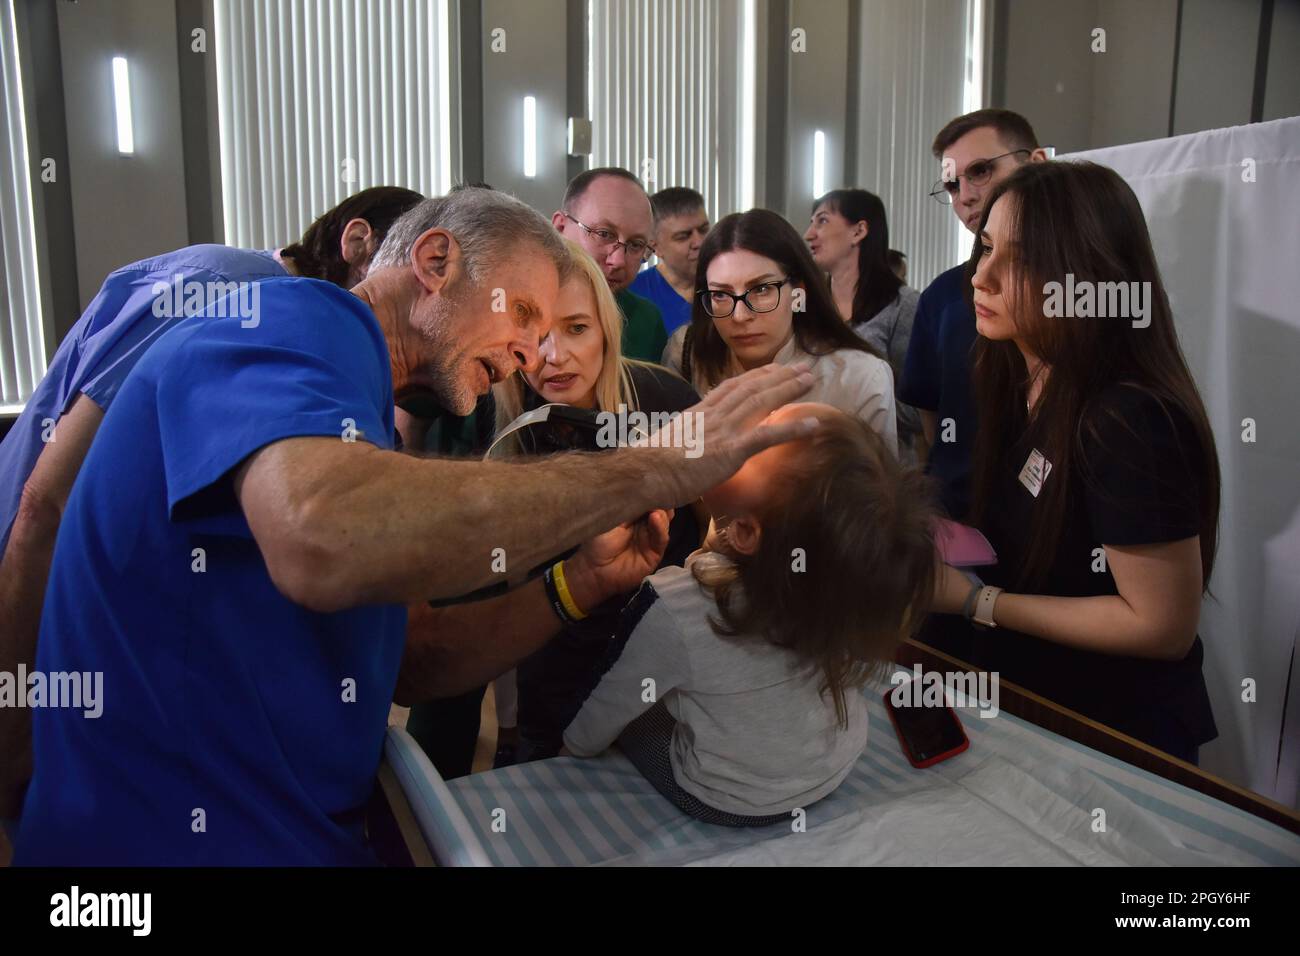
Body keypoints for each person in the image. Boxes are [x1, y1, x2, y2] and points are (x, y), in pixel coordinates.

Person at [14, 187, 819, 864]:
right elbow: (324, 536)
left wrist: (578, 585)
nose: (529, 351)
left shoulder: (353, 407)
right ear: (435, 264)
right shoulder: (293, 317)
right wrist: (654, 468)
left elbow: (416, 656)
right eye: (525, 312)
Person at [0, 185, 423, 818]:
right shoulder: (228, 287)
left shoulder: (306, 348)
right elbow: (44, 505)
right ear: (357, 243)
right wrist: (13, 736)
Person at [927, 160, 1221, 764]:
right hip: (1034, 707)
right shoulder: (1017, 375)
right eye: (985, 249)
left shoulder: (1126, 418)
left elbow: (1160, 626)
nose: (982, 277)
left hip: (1113, 735)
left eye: (1022, 261)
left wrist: (975, 602)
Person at [563, 402, 936, 824]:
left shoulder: (672, 606)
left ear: (743, 531)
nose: (742, 425)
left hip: (730, 800)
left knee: (636, 715)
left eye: (761, 438)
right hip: (834, 770)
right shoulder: (843, 585)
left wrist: (572, 747)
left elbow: (604, 709)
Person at [495, 239, 702, 764]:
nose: (554, 356)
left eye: (576, 329)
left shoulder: (667, 401)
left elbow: (719, 526)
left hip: (667, 673)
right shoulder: (503, 425)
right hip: (555, 674)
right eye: (536, 335)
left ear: (606, 327)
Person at [899, 109, 1048, 518]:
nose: (964, 194)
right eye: (951, 183)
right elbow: (932, 426)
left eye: (981, 170)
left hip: (1058, 541)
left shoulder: (1080, 295)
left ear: (1036, 164)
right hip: (958, 529)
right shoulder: (941, 298)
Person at [664, 209, 898, 456]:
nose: (740, 315)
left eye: (762, 289)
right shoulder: (687, 352)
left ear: (798, 292)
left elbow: (878, 489)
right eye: (721, 294)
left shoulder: (858, 377)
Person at [805, 189, 922, 462]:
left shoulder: (903, 305)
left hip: (879, 470)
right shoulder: (806, 306)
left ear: (858, 231)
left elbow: (918, 413)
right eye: (811, 223)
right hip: (814, 466)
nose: (809, 233)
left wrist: (859, 390)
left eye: (822, 221)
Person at [553, 167, 668, 364]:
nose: (618, 261)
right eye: (604, 234)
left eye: (636, 245)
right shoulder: (518, 309)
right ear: (560, 227)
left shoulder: (646, 321)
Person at [629, 187, 710, 336]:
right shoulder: (633, 297)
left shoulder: (728, 289)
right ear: (655, 246)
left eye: (704, 230)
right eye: (683, 236)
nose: (699, 242)